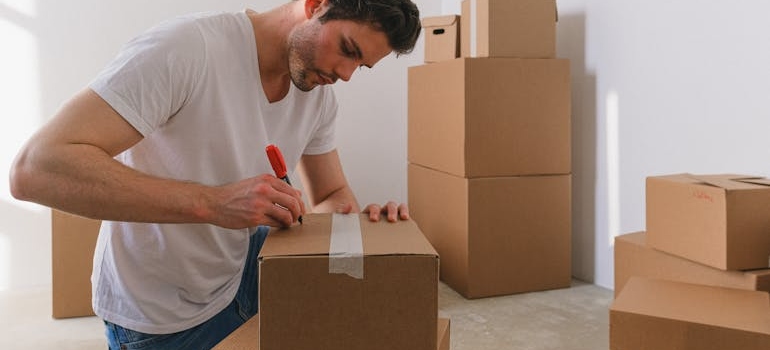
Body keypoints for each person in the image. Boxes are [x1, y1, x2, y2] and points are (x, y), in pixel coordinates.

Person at [9, 0, 421, 348]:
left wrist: (362, 224)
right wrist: (214, 202)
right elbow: (35, 168)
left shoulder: (317, 96)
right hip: (160, 316)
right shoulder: (187, 49)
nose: (346, 75)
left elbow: (330, 192)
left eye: (361, 66)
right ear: (316, 5)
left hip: (247, 275)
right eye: (348, 50)